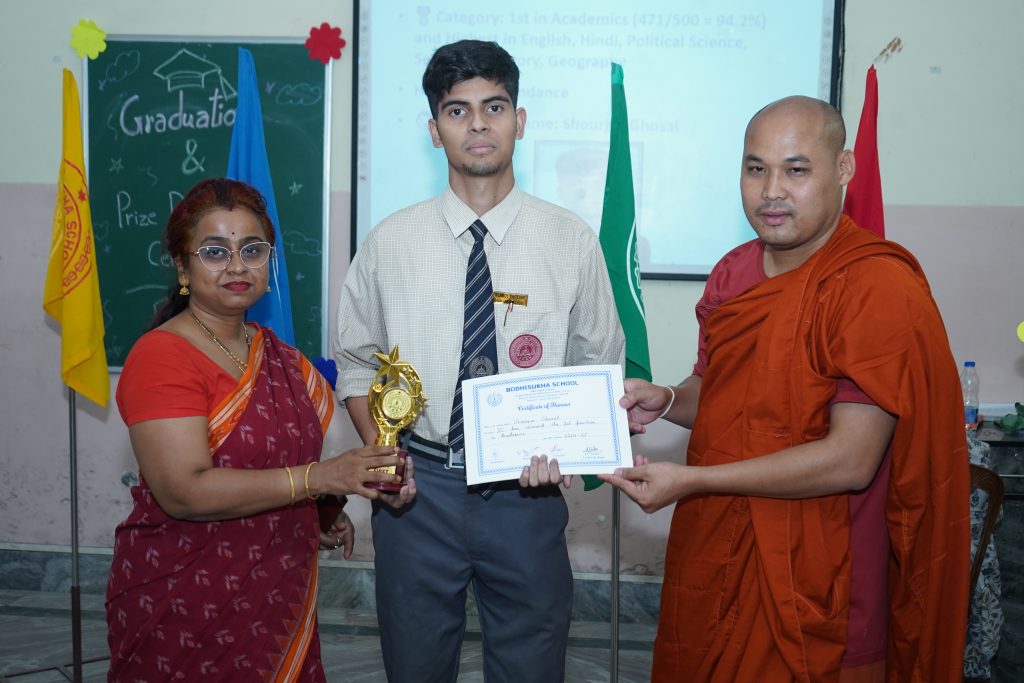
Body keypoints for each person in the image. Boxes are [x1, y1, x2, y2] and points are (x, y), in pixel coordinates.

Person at [600, 96, 970, 682]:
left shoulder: (873, 286)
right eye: (756, 169)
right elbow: (718, 393)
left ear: (843, 168)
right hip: (718, 550)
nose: (772, 191)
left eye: (796, 170)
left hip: (825, 570)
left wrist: (694, 481)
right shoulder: (732, 273)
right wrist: (667, 399)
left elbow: (851, 460)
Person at [335, 40, 624, 682]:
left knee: (531, 667)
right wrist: (384, 456)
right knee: (414, 666)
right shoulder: (390, 242)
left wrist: (566, 447)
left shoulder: (570, 240)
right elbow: (355, 361)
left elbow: (599, 364)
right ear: (434, 130)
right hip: (417, 493)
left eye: (493, 107)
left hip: (528, 493)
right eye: (457, 110)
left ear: (519, 120)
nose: (477, 124)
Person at [106, 178, 409, 682]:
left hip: (276, 597)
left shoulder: (283, 358)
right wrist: (319, 479)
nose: (237, 266)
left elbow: (283, 461)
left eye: (252, 249)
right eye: (214, 252)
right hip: (184, 602)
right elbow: (183, 491)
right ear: (182, 267)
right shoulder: (161, 356)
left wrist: (320, 510)